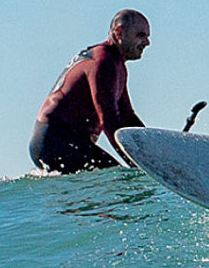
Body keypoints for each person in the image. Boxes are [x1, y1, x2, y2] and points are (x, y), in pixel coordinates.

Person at [31, 10, 151, 173]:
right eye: (141, 35)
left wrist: (152, 147)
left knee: (115, 180)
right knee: (118, 180)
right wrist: (140, 165)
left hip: (68, 142)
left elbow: (127, 116)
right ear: (119, 32)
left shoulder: (117, 65)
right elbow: (109, 120)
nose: (147, 42)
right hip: (54, 140)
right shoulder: (103, 61)